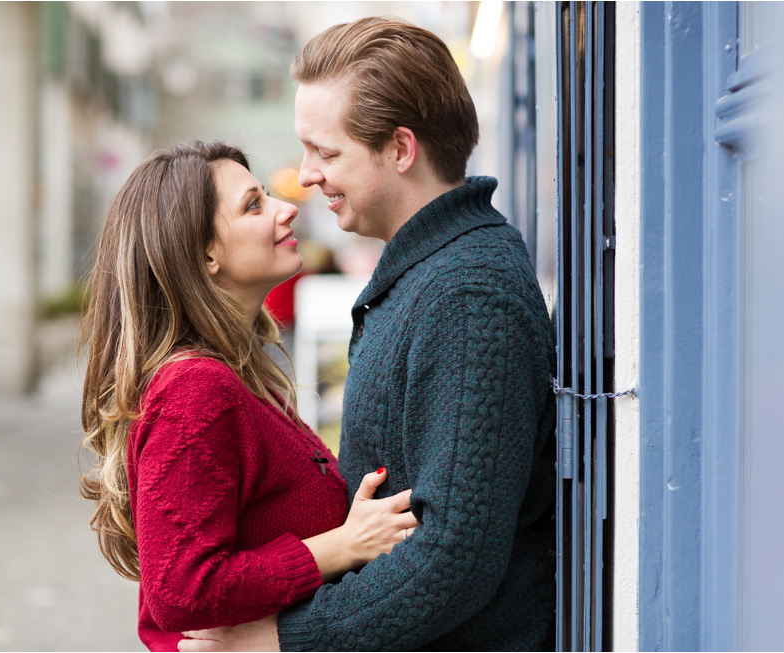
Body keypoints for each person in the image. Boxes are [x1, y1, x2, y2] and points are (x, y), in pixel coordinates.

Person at [179, 17, 556, 652]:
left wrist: (276, 640)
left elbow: (452, 559)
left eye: (326, 152)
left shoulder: (467, 294)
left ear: (401, 149)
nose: (306, 176)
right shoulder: (431, 273)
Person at [79, 140, 418, 652]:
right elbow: (181, 591)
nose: (287, 209)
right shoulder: (194, 391)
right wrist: (341, 546)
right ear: (204, 254)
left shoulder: (235, 379)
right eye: (254, 205)